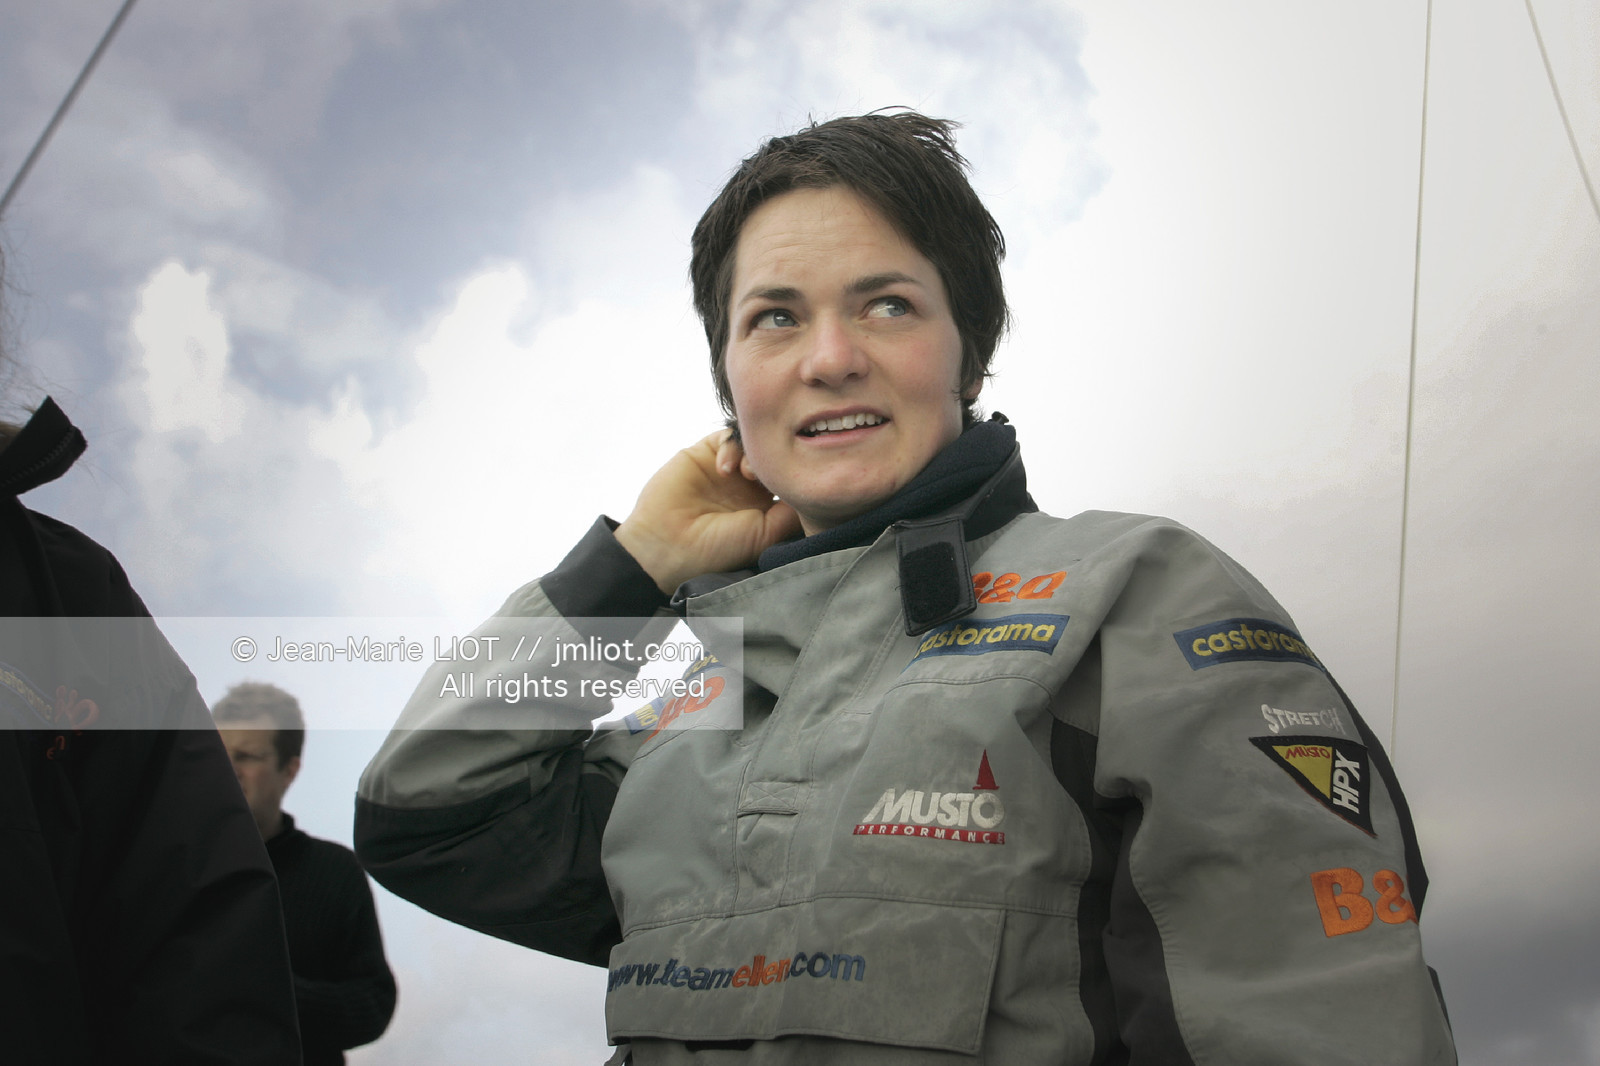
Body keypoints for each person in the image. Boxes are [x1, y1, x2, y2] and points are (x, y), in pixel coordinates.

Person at [355, 112, 1457, 1063]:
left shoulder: (1138, 593)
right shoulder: (707, 687)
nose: (829, 356)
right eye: (773, 317)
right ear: (730, 389)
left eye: (885, 304)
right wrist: (631, 568)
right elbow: (429, 816)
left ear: (968, 357)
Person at [1, 393, 303, 1061]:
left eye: (252, 755)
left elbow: (205, 969)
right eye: (229, 752)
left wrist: (300, 1001)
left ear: (291, 771)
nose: (237, 770)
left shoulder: (74, 592)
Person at [214, 682, 396, 1066]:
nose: (227, 771)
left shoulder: (334, 871)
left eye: (246, 756)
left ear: (289, 771)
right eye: (217, 754)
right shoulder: (166, 864)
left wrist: (269, 991)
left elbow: (373, 1004)